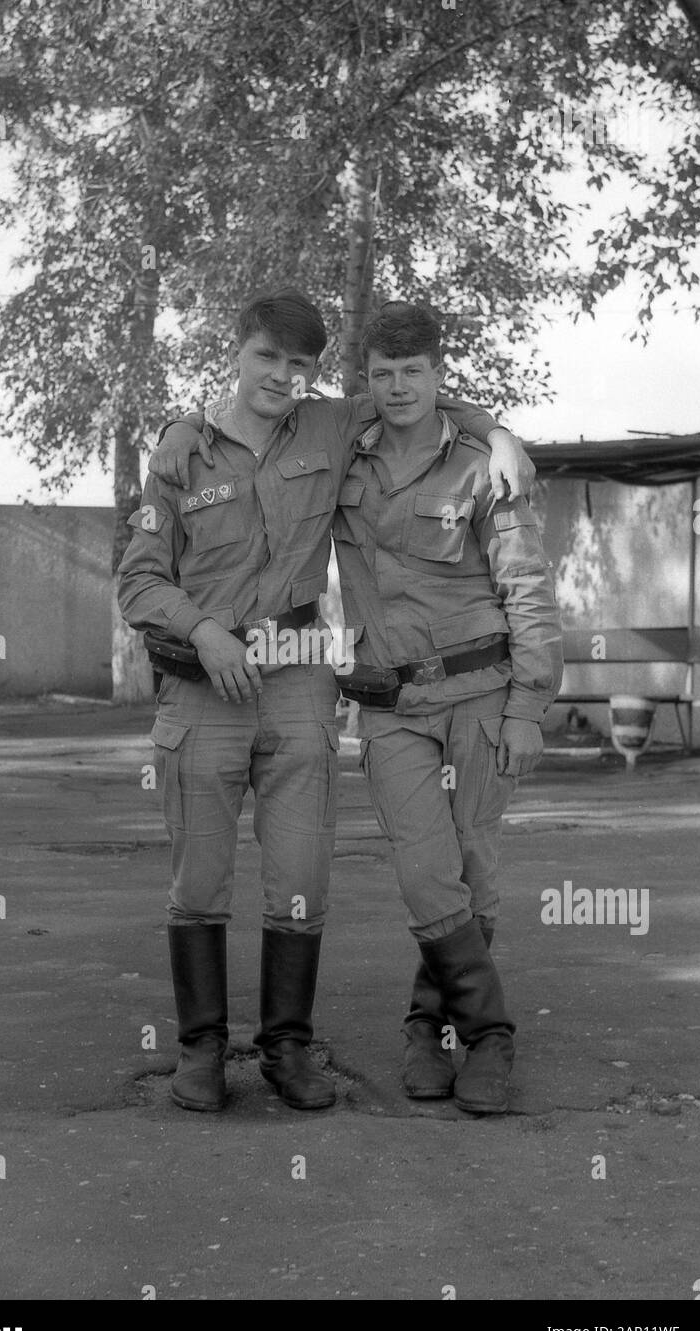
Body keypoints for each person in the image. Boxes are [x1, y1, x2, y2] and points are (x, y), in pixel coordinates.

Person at [119, 288, 534, 1114]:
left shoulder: (330, 426)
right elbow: (138, 577)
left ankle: (286, 1048)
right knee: (199, 878)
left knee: (301, 878)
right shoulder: (179, 452)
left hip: (300, 675)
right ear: (236, 353)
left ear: (314, 376)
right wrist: (203, 632)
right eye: (267, 357)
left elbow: (415, 396)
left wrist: (499, 431)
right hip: (204, 686)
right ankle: (202, 1051)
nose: (281, 376)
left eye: (299, 365)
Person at [331, 302, 564, 1113]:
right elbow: (278, 423)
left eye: (413, 373)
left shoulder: (483, 467)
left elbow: (528, 589)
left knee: (473, 859)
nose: (397, 388)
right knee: (423, 866)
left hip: (483, 690)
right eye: (383, 374)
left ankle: (432, 1031)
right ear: (367, 377)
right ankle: (492, 1033)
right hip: (391, 699)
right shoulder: (341, 452)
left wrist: (529, 705)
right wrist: (493, 420)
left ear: (438, 372)